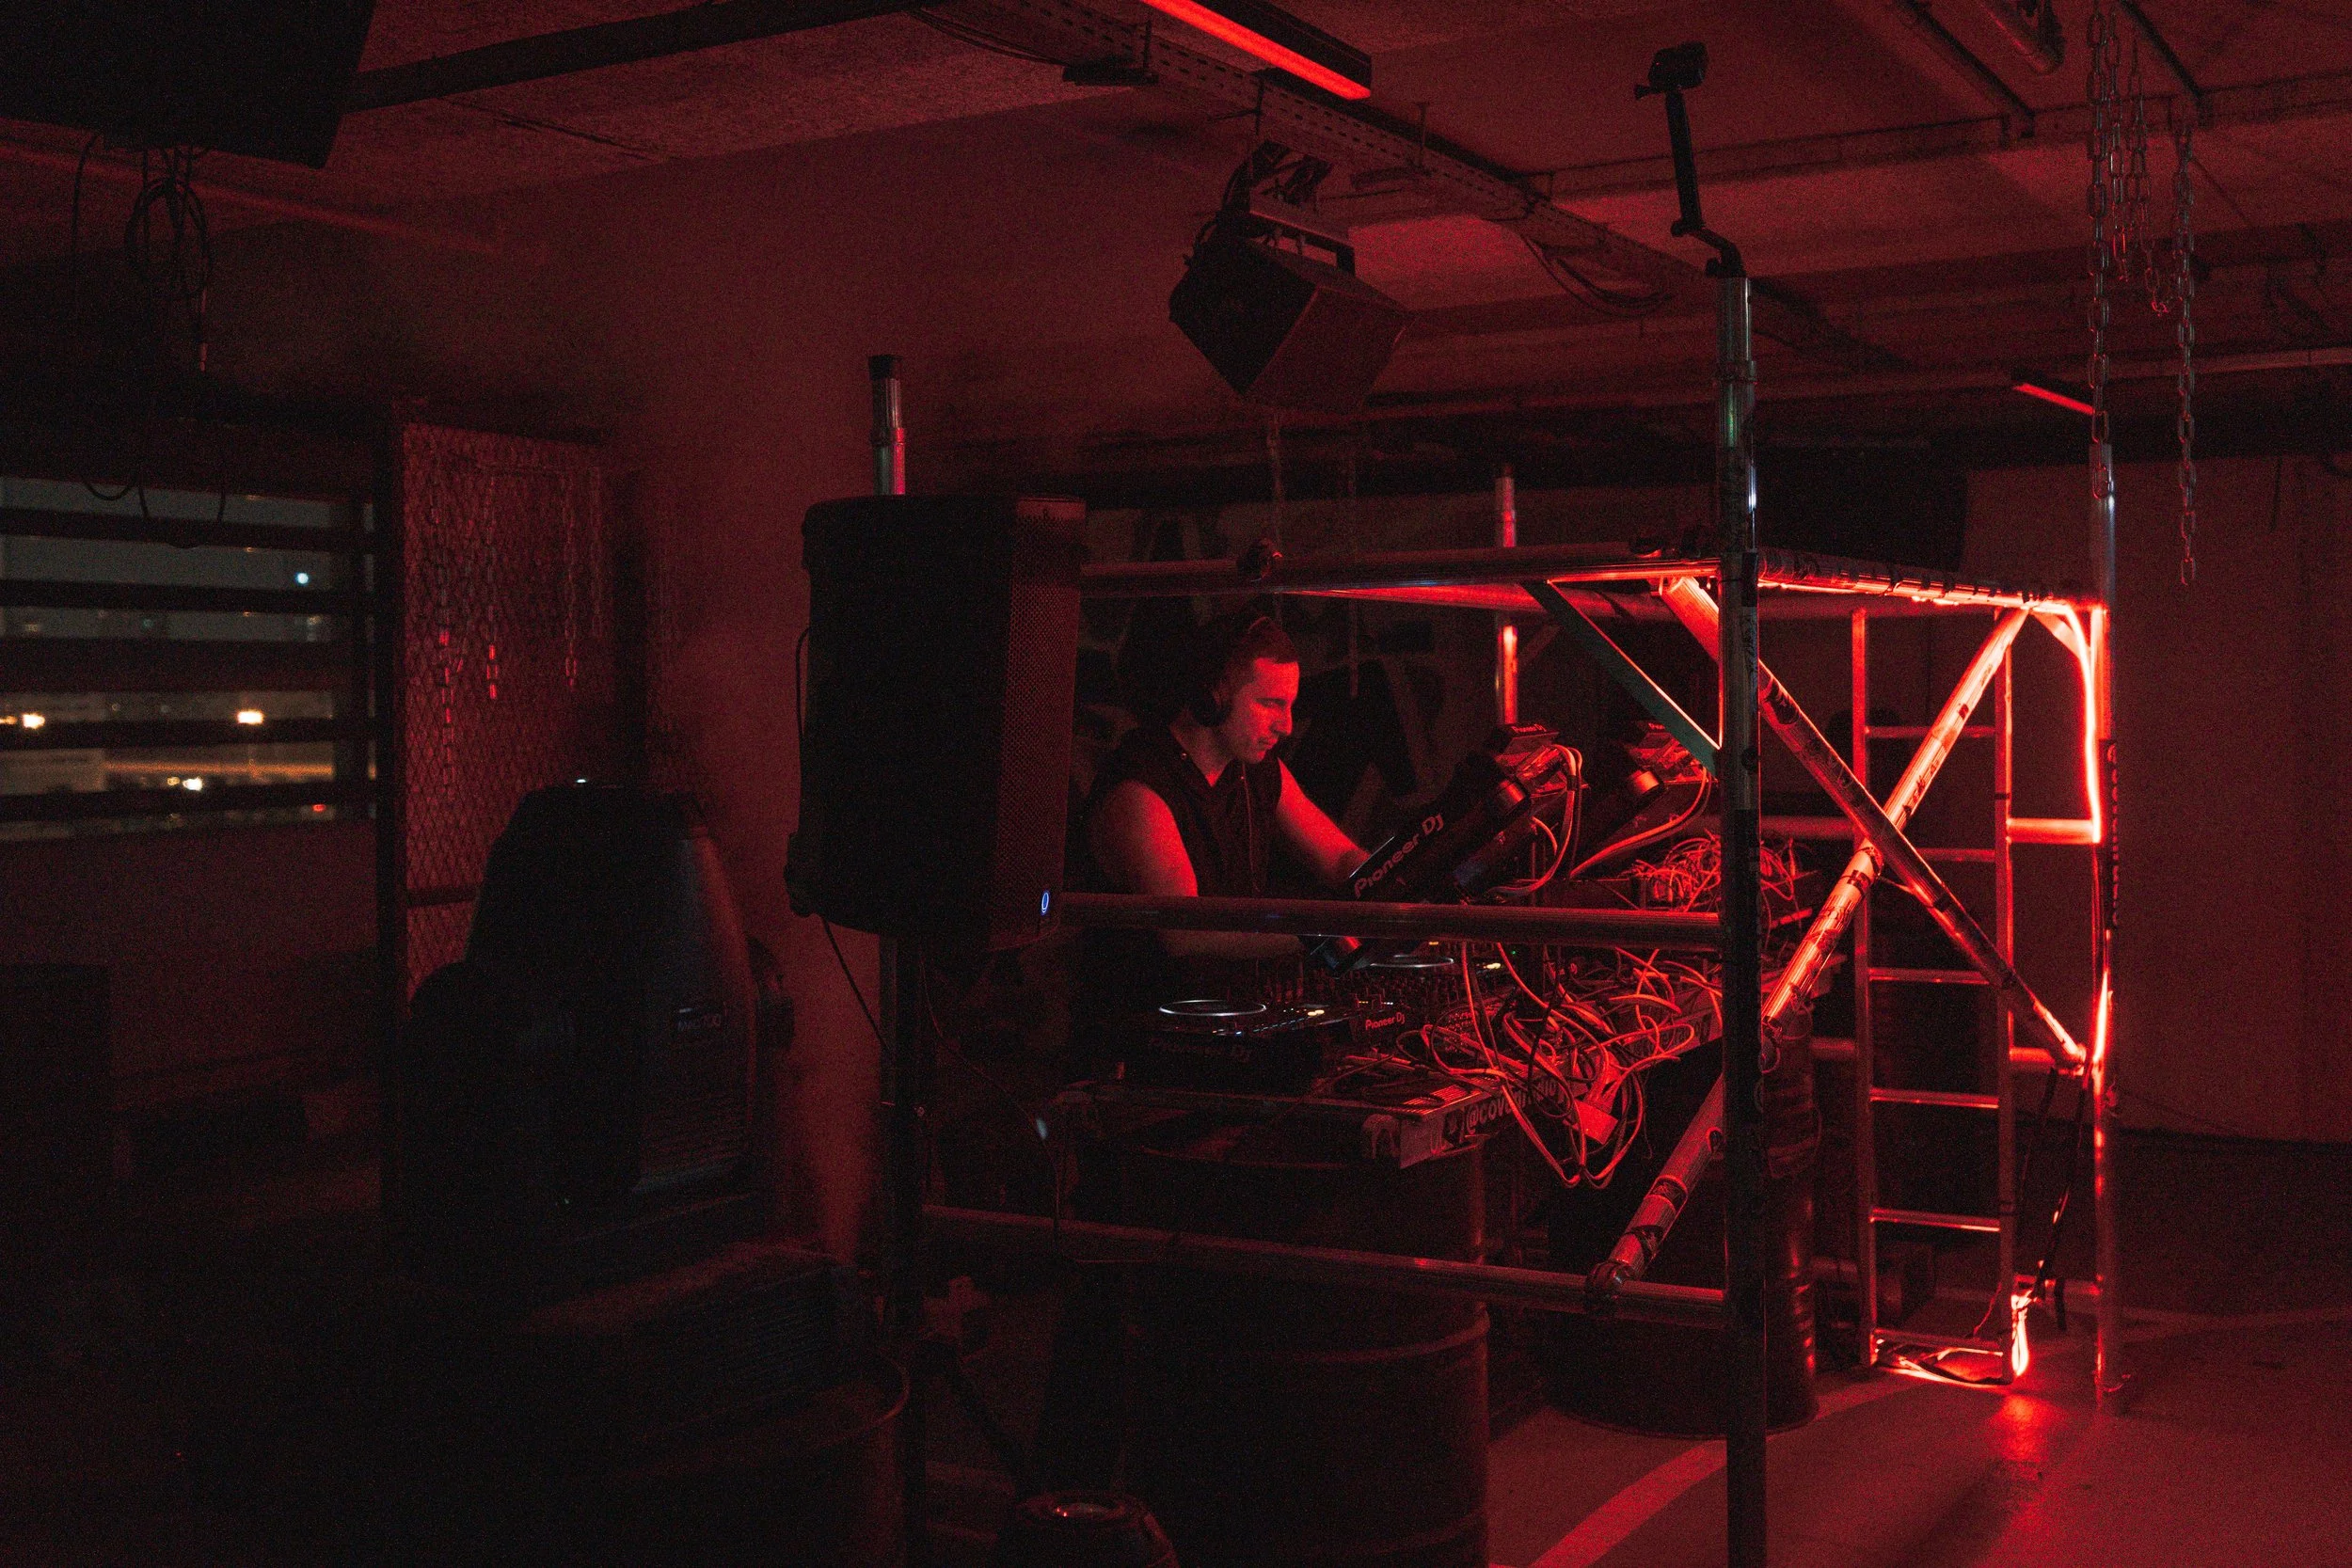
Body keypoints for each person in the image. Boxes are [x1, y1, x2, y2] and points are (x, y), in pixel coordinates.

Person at [1075, 610, 1366, 1043]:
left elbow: (1340, 858)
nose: (1286, 726)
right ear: (1212, 697)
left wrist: (1399, 881)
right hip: (1147, 1047)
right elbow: (1187, 931)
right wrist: (1321, 933)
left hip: (1230, 1029)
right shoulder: (1140, 790)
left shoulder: (1262, 773)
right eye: (1271, 704)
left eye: (1290, 706)